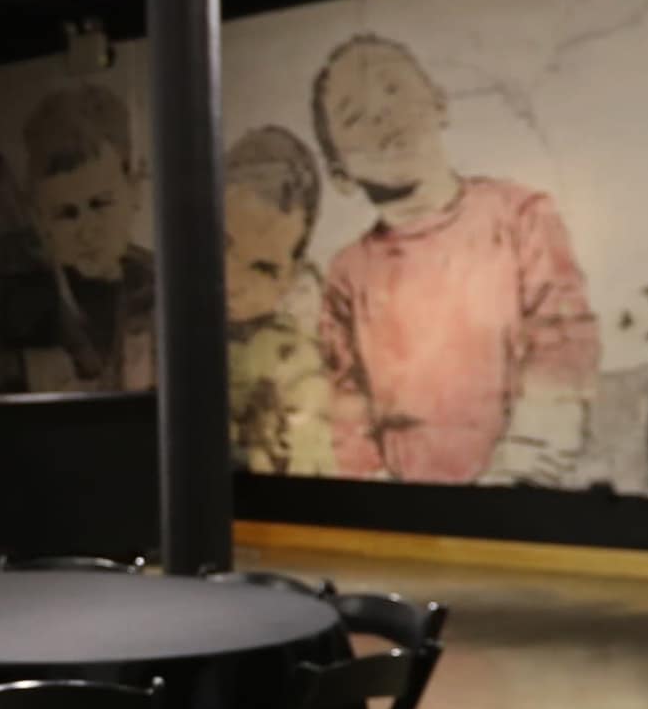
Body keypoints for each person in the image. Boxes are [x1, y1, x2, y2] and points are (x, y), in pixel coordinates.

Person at [309, 35, 598, 484]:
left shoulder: (521, 215)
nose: (382, 116)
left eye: (392, 89)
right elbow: (345, 401)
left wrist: (519, 468)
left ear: (439, 103)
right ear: (340, 175)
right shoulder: (349, 273)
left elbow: (562, 342)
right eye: (354, 117)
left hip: (522, 484)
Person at [0, 79, 155, 393]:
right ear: (40, 219)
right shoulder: (25, 305)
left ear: (135, 190)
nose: (87, 230)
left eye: (100, 204)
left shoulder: (162, 287)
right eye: (66, 214)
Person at [221, 125, 334, 476]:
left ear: (293, 274)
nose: (231, 282)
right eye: (222, 247)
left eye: (263, 268)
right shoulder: (151, 323)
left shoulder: (300, 361)